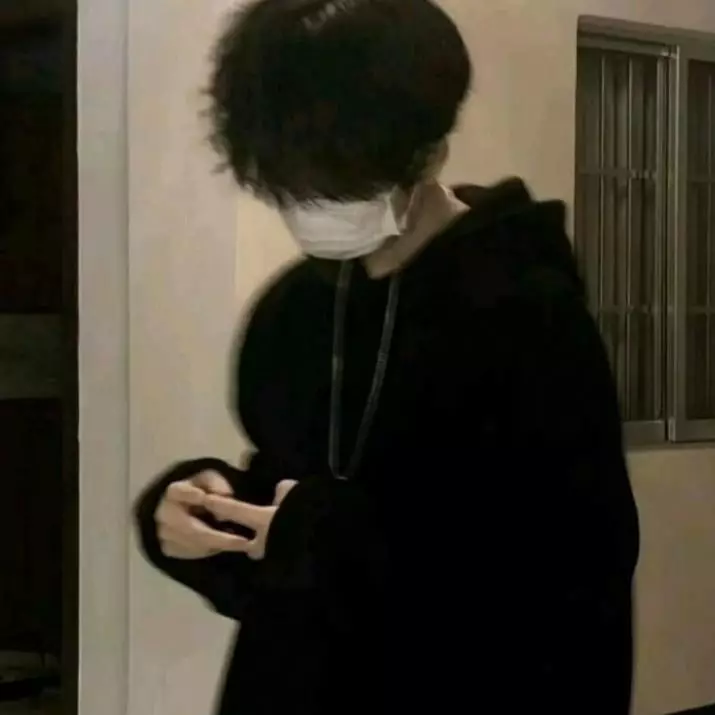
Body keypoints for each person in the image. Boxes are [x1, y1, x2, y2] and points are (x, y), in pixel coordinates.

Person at [134, 1, 640, 713]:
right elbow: (286, 525)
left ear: (427, 152)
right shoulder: (294, 312)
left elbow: (568, 578)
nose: (312, 206)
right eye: (292, 185)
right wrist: (205, 518)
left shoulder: (526, 315)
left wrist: (318, 536)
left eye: (336, 181)